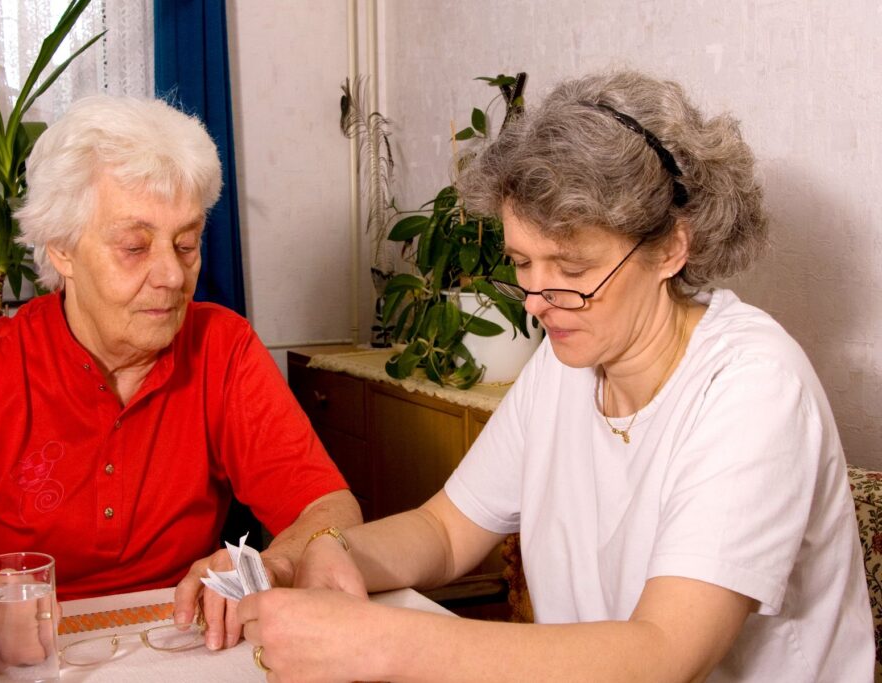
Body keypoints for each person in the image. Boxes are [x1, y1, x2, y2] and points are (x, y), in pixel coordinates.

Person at [237, 70, 874, 682]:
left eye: (571, 268)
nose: (538, 300)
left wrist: (376, 643)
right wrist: (331, 552)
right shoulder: (570, 359)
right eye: (521, 262)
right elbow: (446, 531)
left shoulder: (752, 385)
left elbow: (664, 655)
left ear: (672, 248)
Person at [0, 95, 361, 656]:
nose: (172, 275)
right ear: (62, 249)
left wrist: (266, 564)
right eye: (134, 246)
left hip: (172, 647)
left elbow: (329, 510)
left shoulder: (224, 347)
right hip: (8, 660)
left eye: (187, 243)